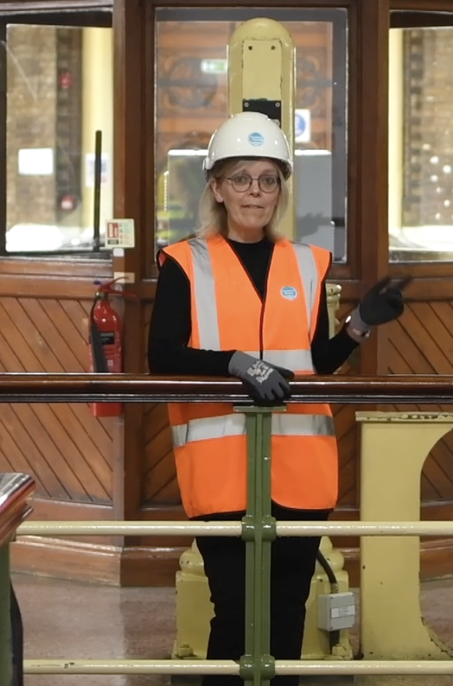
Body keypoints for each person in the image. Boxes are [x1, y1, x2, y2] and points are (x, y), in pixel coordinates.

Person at [151, 111, 409, 664]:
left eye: (268, 179)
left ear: (281, 191)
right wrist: (237, 364)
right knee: (234, 610)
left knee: (289, 608)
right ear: (216, 188)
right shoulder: (184, 263)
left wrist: (360, 324)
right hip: (222, 471)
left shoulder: (307, 264)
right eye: (241, 178)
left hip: (299, 467)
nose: (255, 192)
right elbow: (162, 356)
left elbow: (315, 363)